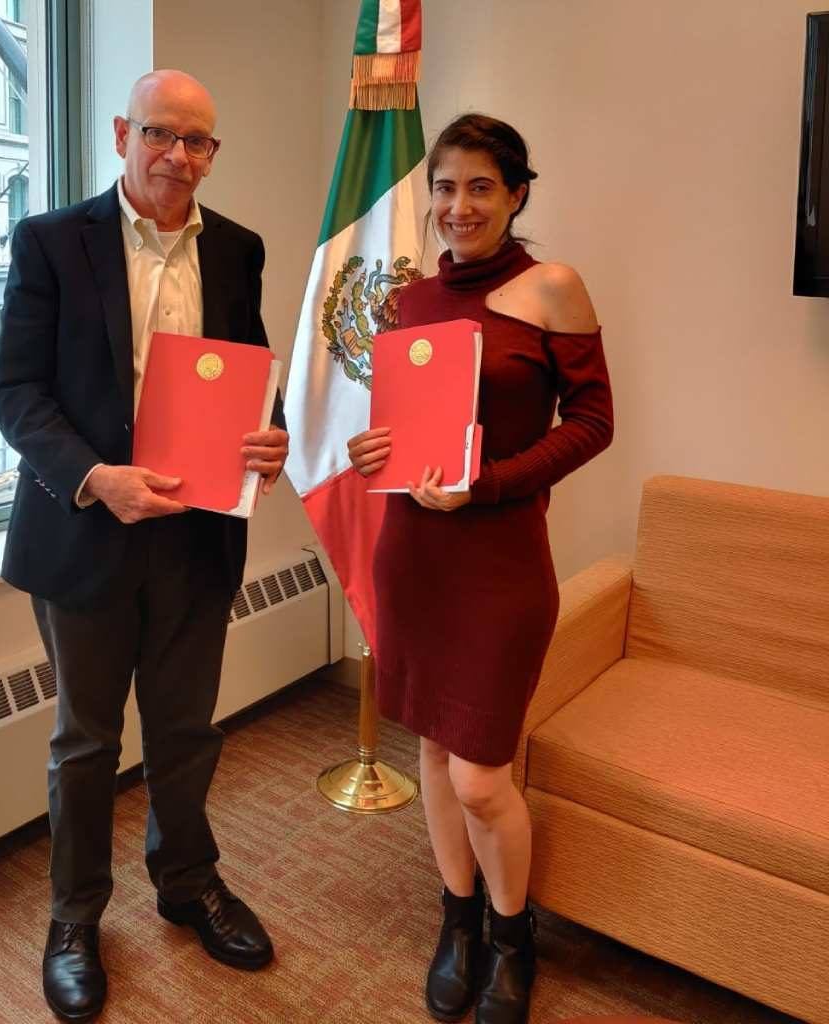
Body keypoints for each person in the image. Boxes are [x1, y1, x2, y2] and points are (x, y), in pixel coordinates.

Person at [0, 69, 289, 1023]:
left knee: (188, 730)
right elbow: (15, 392)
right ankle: (76, 917)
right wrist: (95, 478)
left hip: (198, 538)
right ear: (123, 132)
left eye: (198, 142)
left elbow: (253, 373)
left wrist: (267, 436)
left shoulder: (238, 249)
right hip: (86, 533)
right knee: (85, 743)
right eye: (161, 134)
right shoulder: (50, 242)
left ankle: (186, 880)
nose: (179, 157)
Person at [347, 113, 614, 1024]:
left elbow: (592, 423)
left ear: (517, 195)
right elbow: (403, 432)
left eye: (480, 188)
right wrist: (371, 449)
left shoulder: (552, 289)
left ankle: (511, 933)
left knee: (480, 775)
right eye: (445, 188)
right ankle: (454, 920)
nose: (458, 206)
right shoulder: (410, 300)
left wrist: (492, 482)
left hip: (498, 560)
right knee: (428, 746)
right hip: (411, 556)